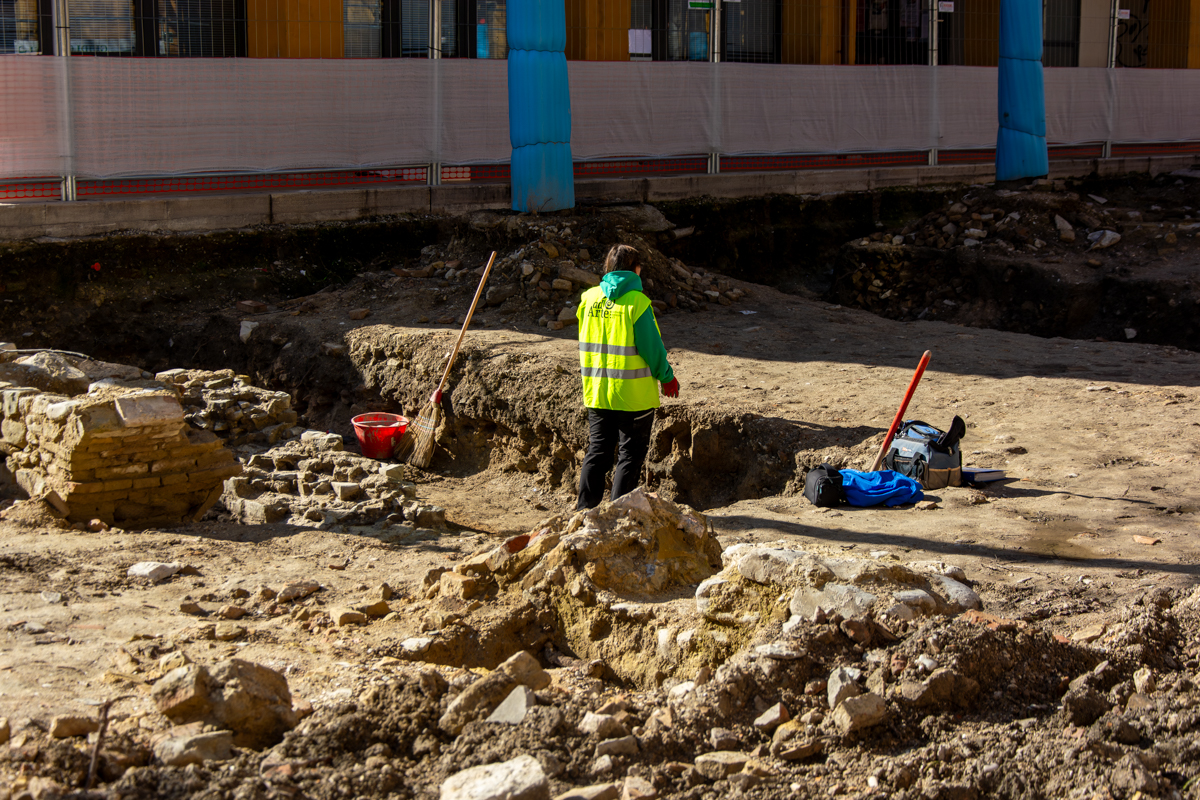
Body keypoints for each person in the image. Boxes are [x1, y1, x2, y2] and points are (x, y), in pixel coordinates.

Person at [575, 245, 679, 510]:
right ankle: (619, 513)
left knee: (597, 452)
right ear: (636, 270)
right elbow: (651, 348)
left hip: (597, 392)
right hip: (633, 398)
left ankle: (584, 512)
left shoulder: (588, 299)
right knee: (629, 456)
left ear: (607, 268)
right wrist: (666, 376)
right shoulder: (638, 303)